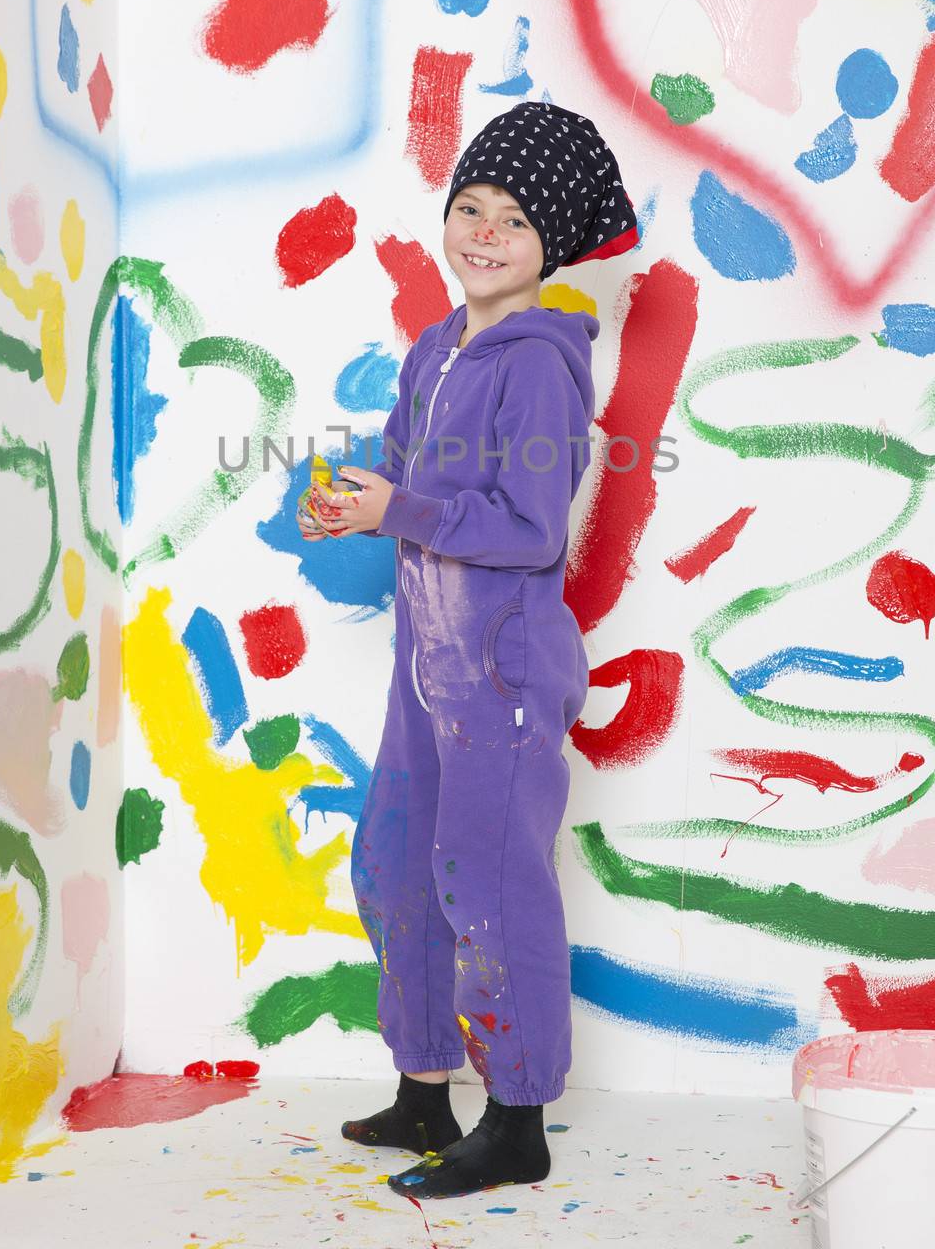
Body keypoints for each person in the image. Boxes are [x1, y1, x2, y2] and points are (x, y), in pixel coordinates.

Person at [297, 100, 638, 1200]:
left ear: (553, 249)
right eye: (469, 207)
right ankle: (421, 1087)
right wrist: (357, 506)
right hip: (423, 668)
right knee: (398, 863)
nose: (483, 233)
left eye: (513, 222)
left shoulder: (538, 362)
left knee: (488, 885)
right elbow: (406, 477)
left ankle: (519, 1113)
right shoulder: (436, 347)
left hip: (501, 673)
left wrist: (405, 507)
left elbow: (532, 531)